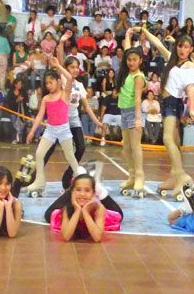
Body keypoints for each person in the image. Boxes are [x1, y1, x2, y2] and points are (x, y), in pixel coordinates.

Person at [137, 27, 194, 199]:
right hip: (167, 103)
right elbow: (157, 43)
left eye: (186, 47)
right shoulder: (172, 60)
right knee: (175, 143)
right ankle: (173, 176)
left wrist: (192, 108)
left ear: (191, 49)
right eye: (180, 46)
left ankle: (182, 176)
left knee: (167, 139)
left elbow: (191, 88)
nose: (182, 50)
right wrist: (143, 30)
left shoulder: (189, 65)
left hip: (173, 103)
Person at [41, 31, 104, 188]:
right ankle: (36, 177)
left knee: (81, 148)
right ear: (66, 68)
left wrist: (98, 122)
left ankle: (68, 176)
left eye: (77, 67)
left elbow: (86, 106)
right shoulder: (63, 79)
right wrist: (62, 42)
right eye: (72, 67)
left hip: (74, 120)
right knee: (48, 150)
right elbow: (60, 59)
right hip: (59, 120)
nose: (75, 70)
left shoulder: (80, 85)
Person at [23, 57, 81, 196]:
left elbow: (69, 78)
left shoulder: (64, 94)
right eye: (46, 83)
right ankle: (40, 181)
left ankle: (81, 180)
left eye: (51, 82)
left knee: (70, 156)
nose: (48, 85)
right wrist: (32, 132)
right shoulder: (46, 98)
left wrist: (58, 65)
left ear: (59, 81)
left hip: (64, 130)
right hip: (50, 130)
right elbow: (39, 116)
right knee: (39, 154)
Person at [47, 172, 123, 242]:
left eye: (87, 190)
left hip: (97, 216)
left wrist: (85, 211)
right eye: (78, 190)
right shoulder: (66, 209)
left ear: (93, 194)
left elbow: (97, 238)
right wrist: (77, 210)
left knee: (119, 216)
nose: (82, 194)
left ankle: (102, 192)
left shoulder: (99, 208)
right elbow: (66, 237)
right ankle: (79, 185)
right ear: (72, 192)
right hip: (72, 201)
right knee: (48, 215)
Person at [117, 28, 147, 197]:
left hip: (133, 113)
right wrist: (128, 35)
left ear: (140, 61)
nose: (131, 62)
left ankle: (140, 177)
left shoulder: (139, 77)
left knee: (135, 147)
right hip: (123, 111)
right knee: (126, 148)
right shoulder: (127, 72)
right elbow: (128, 51)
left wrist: (137, 119)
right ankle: (132, 176)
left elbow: (137, 99)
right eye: (129, 59)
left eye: (134, 60)